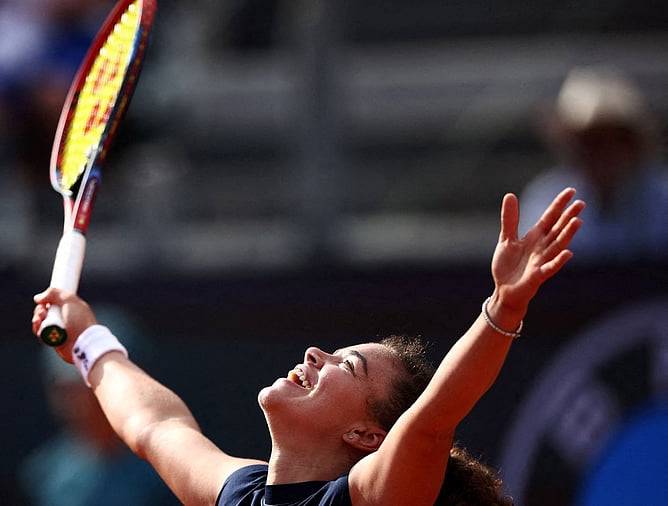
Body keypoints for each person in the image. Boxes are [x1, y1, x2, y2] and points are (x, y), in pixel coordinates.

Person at [31, 188, 584, 505]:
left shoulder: (367, 500)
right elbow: (155, 428)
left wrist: (504, 309)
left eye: (350, 364)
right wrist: (86, 340)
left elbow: (433, 419)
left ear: (367, 435)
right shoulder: (241, 496)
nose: (317, 352)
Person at [19, 312, 180, 506]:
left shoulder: (173, 470)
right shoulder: (43, 472)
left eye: (91, 387)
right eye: (67, 388)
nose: (79, 402)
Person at [519, 66, 668, 263]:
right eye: (590, 140)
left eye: (617, 138)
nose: (604, 151)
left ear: (635, 144)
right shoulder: (546, 201)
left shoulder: (663, 197)